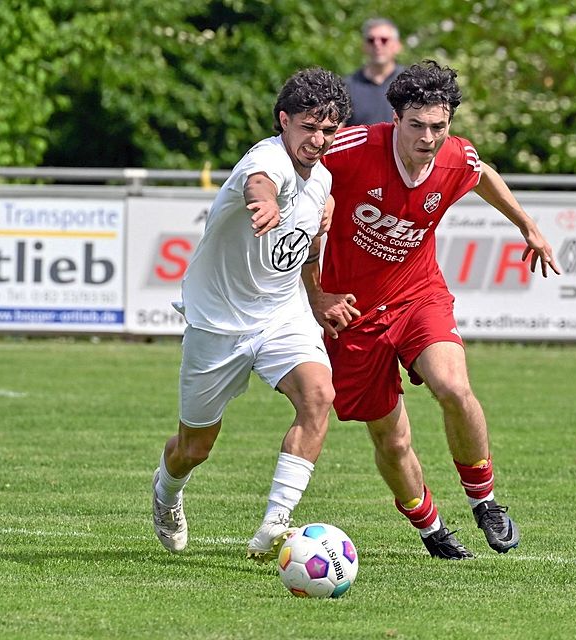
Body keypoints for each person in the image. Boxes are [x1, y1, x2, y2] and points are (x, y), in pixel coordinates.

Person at [304, 60, 561, 559]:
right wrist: (314, 293)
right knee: (392, 439)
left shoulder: (454, 157)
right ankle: (431, 528)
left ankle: (485, 501)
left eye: (438, 127)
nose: (428, 138)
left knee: (454, 387)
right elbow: (296, 175)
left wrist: (526, 225)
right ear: (395, 119)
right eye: (417, 125)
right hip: (351, 315)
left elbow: (480, 172)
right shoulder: (350, 151)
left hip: (418, 296)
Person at [151, 68, 352, 561]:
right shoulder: (267, 159)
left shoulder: (322, 180)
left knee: (319, 395)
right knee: (194, 447)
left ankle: (277, 522)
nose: (317, 139)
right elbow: (260, 184)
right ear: (284, 121)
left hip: (282, 315)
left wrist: (319, 297)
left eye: (328, 130)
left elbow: (303, 249)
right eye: (308, 127)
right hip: (217, 324)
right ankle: (166, 493)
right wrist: (262, 204)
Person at [344, 18, 405, 126]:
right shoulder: (347, 86)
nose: (377, 44)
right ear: (364, 46)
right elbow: (336, 131)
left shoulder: (410, 83)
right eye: (371, 40)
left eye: (384, 40)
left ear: (397, 46)